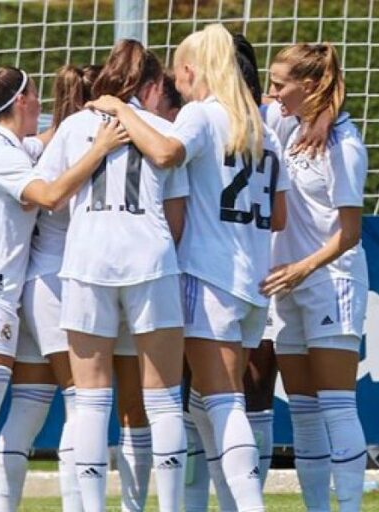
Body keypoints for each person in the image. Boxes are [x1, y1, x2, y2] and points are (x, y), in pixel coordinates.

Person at [87, 23, 288, 512]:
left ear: (194, 70)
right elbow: (279, 215)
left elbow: (164, 152)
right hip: (251, 283)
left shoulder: (203, 115)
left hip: (209, 277)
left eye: (178, 74)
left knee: (222, 403)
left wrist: (120, 109)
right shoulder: (262, 128)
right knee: (205, 407)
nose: (176, 85)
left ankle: (250, 505)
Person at [0, 61, 127, 512]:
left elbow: (50, 139)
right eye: (37, 95)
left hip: (7, 292)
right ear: (21, 100)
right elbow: (50, 196)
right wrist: (100, 147)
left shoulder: (8, 144)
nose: (42, 104)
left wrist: (83, 110)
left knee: (27, 410)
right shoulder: (2, 153)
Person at [50, 39, 189, 512]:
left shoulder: (73, 126)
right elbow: (176, 220)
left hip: (87, 261)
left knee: (91, 401)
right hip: (150, 260)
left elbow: (49, 193)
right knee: (164, 400)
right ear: (151, 85)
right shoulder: (162, 128)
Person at [262, 43, 370, 512]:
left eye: (279, 85)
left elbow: (350, 233)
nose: (272, 94)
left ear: (307, 86)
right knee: (303, 413)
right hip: (289, 283)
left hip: (331, 280)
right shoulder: (288, 123)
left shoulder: (344, 144)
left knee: (337, 405)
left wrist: (302, 268)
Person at [0, 63, 93, 512]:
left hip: (32, 283)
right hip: (59, 282)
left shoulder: (36, 145)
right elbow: (54, 196)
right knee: (83, 401)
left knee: (28, 409)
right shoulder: (82, 144)